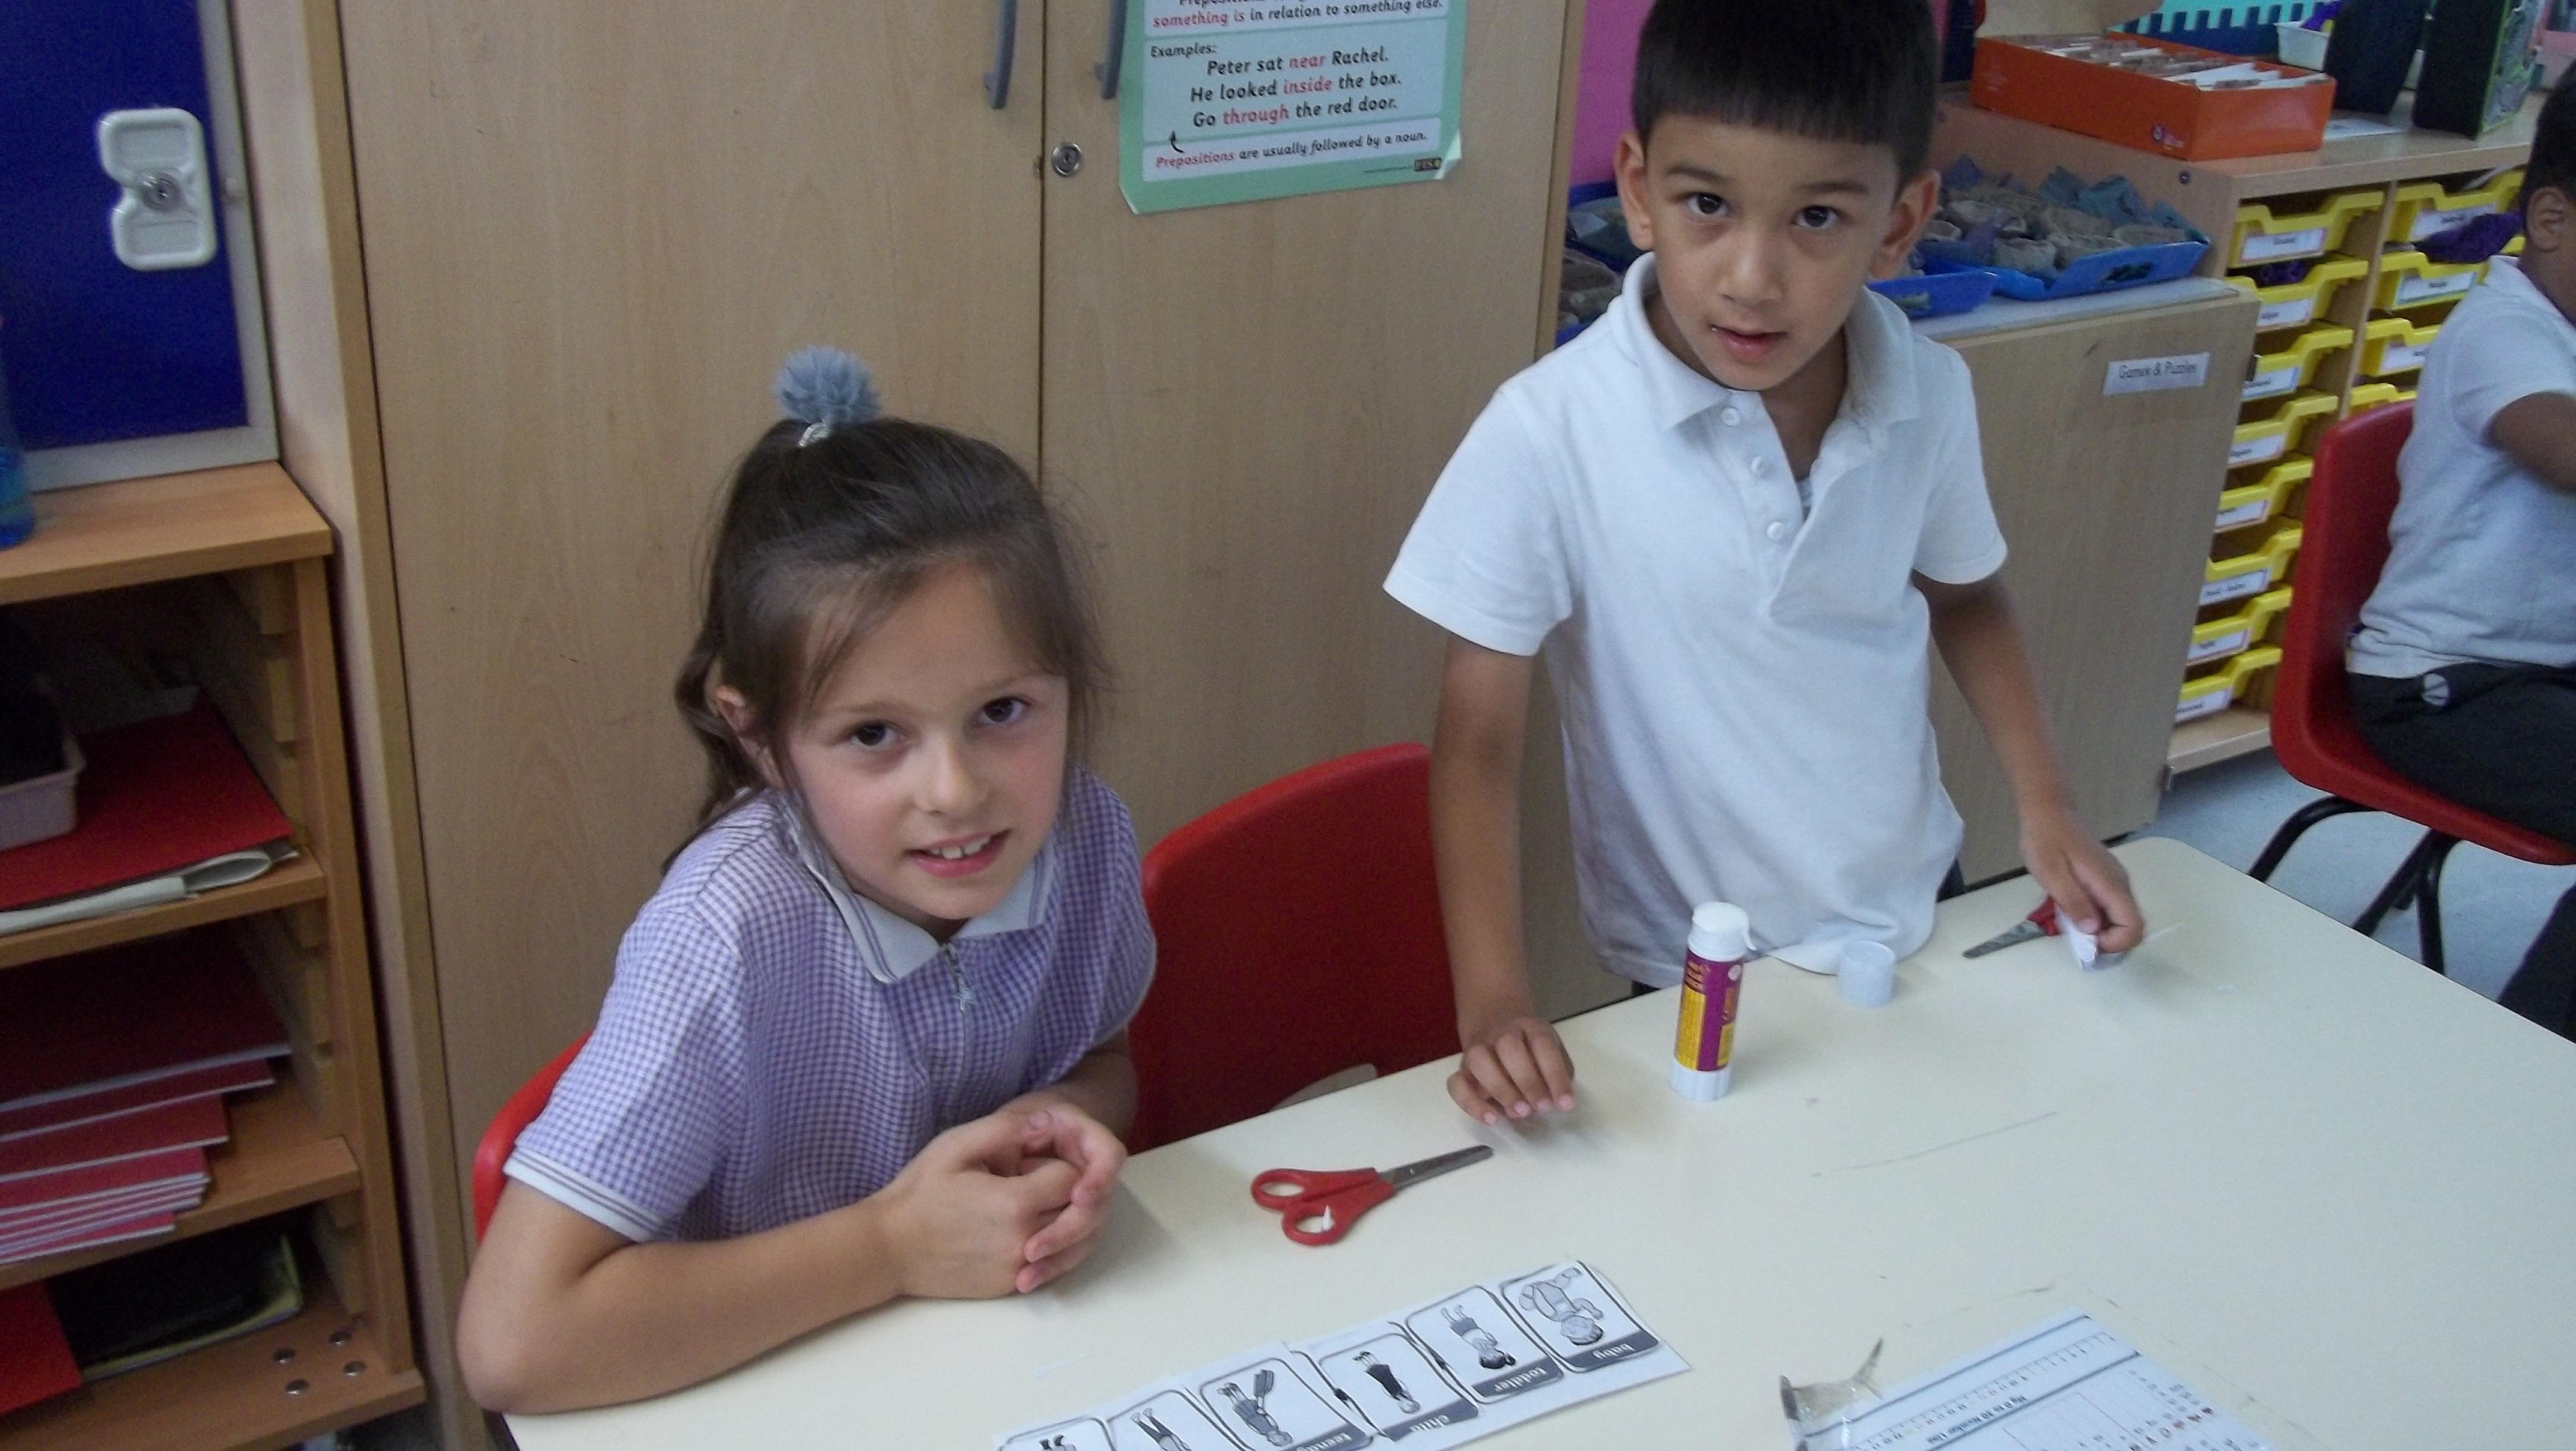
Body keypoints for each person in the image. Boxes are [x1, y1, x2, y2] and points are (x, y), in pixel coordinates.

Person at [1383, 0, 2144, 1127]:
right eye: (1708, 205)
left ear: (1901, 223)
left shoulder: (1928, 391)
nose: (1752, 276)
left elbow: (1968, 596)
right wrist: (1494, 1001)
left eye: (1818, 217)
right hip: (1695, 958)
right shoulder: (1549, 429)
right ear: (1639, 189)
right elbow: (1478, 740)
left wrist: (2050, 807)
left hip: (1908, 899)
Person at [456, 349, 1152, 1409]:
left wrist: (1062, 1124)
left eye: (1003, 711)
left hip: (991, 1380)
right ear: (761, 737)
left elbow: (1104, 1055)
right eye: (874, 734)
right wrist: (894, 1248)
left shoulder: (1086, 839)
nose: (956, 792)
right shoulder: (720, 939)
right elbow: (514, 1344)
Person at [2347, 82, 2576, 1038]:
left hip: (2546, 671)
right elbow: (2564, 453)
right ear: (2553, 219)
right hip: (2443, 685)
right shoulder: (2503, 330)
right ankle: (2538, 1066)